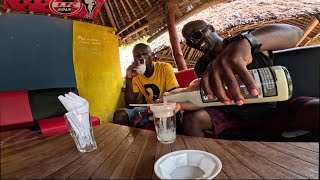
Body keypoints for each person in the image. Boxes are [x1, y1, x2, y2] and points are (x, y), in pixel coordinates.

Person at [174, 20, 319, 139]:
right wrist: (183, 102)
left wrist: (247, 42)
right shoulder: (202, 65)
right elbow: (210, 97)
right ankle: (206, 163)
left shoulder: (247, 40)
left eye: (197, 35)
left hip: (273, 109)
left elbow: (296, 33)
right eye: (189, 42)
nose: (195, 42)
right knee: (192, 119)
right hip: (233, 114)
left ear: (211, 28)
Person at [113, 43, 179, 128]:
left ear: (152, 56)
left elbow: (174, 96)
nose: (141, 57)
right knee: (119, 115)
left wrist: (142, 114)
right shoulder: (135, 74)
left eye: (144, 54)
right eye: (137, 55)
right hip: (148, 108)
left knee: (169, 116)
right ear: (134, 59)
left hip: (164, 107)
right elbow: (129, 104)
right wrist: (129, 78)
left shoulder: (165, 68)